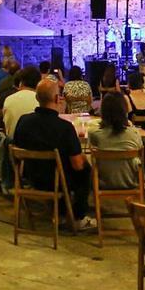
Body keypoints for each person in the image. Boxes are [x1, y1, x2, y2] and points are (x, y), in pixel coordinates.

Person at [13, 79, 96, 231]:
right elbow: (77, 165)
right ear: (58, 99)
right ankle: (78, 216)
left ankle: (62, 210)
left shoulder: (24, 121)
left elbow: (16, 151)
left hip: (30, 176)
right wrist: (84, 158)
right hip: (57, 180)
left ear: (37, 98)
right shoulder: (65, 128)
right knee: (85, 170)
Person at [88, 92, 143, 189]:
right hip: (131, 182)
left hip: (103, 183)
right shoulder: (134, 133)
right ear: (124, 110)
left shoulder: (94, 133)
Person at [1, 66, 42, 137]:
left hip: (11, 145)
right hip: (36, 145)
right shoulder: (42, 101)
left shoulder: (9, 99)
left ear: (21, 82)